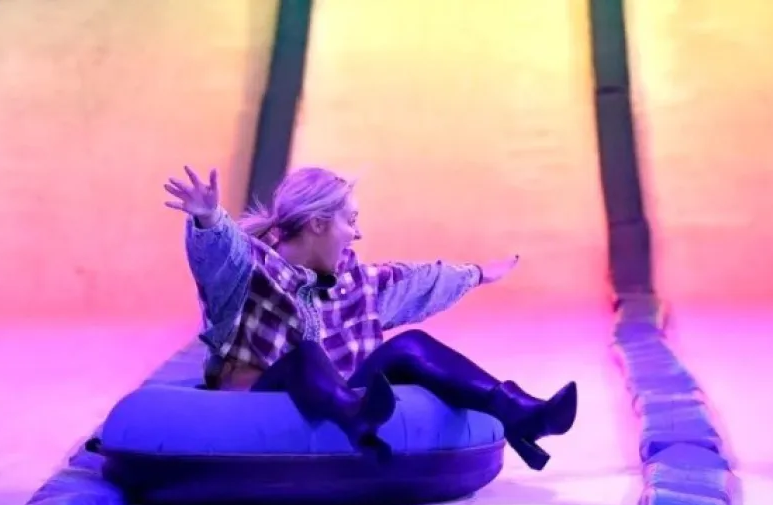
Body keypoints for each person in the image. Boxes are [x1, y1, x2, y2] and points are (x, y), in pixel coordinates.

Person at [162, 166, 577, 471]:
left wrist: (478, 274)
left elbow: (419, 282)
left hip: (344, 402)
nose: (357, 234)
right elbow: (222, 256)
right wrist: (209, 219)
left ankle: (522, 414)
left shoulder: (354, 283)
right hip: (262, 406)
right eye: (351, 221)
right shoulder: (250, 270)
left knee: (410, 345)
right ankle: (354, 414)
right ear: (318, 223)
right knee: (306, 355)